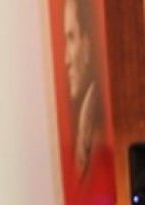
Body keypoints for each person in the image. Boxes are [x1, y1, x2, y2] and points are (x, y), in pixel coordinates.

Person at [63, 0, 104, 180]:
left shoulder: (98, 128)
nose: (66, 60)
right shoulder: (82, 125)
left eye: (71, 38)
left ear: (87, 46)